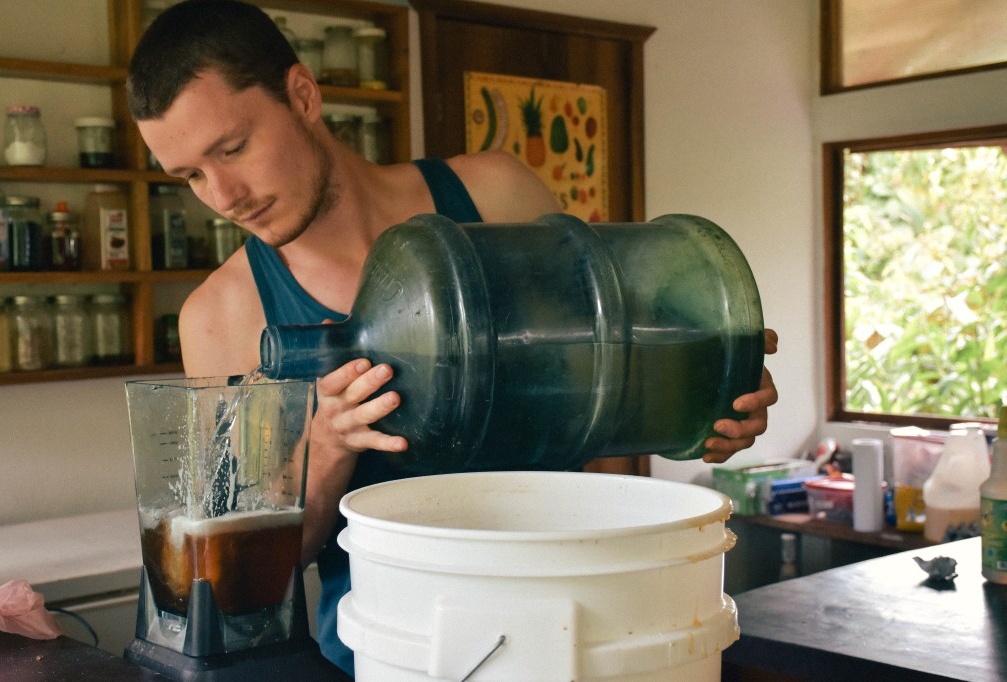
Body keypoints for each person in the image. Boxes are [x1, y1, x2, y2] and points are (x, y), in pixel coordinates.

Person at [128, 0, 778, 674]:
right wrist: (322, 445)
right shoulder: (221, 317)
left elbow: (609, 382)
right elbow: (255, 579)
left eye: (232, 149)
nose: (224, 194)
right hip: (394, 650)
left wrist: (703, 403)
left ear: (302, 95)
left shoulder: (496, 196)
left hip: (587, 627)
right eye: (192, 176)